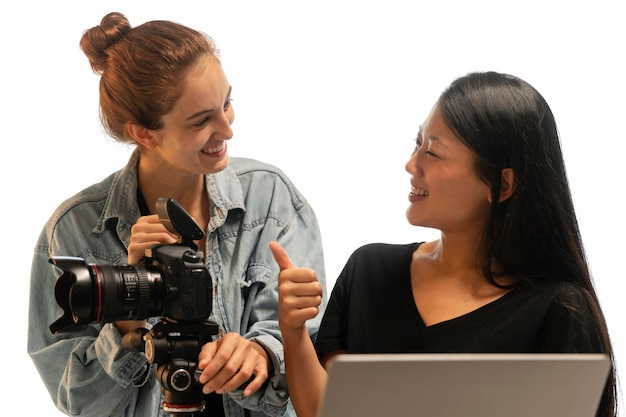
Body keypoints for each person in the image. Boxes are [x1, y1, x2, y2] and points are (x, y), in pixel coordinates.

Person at [28, 12, 326, 417]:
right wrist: (127, 321)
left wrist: (261, 355)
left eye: (227, 103)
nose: (227, 129)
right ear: (144, 133)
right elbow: (79, 402)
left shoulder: (269, 198)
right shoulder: (74, 233)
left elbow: (310, 364)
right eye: (202, 120)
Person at [270, 71, 617, 417]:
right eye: (417, 143)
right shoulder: (369, 271)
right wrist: (294, 330)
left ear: (502, 184)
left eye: (433, 152)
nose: (411, 164)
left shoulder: (560, 311)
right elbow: (322, 410)